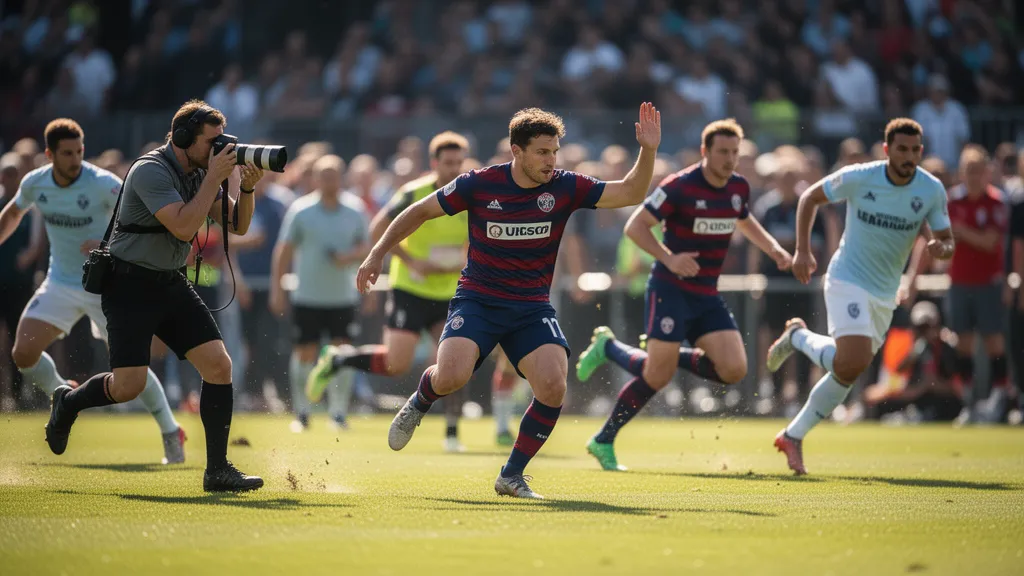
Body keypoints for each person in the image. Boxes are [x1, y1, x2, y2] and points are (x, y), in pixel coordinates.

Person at [357, 103, 662, 499]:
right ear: (517, 151)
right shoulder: (479, 183)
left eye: (554, 151)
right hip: (478, 301)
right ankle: (420, 401)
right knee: (451, 376)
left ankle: (511, 475)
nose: (551, 160)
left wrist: (648, 151)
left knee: (553, 385)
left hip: (531, 307)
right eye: (542, 152)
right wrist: (377, 253)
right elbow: (418, 211)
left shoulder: (566, 185)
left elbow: (630, 192)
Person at [41, 101, 265, 491]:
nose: (219, 149)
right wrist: (215, 177)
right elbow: (181, 227)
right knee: (129, 385)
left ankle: (217, 470)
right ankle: (69, 401)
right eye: (212, 141)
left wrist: (245, 186)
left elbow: (238, 224)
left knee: (218, 366)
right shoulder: (150, 170)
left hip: (170, 283)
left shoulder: (199, 172)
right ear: (182, 138)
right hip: (129, 287)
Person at [574, 119, 794, 472]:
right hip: (670, 290)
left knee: (734, 369)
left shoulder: (738, 186)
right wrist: (669, 258)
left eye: (735, 152)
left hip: (705, 294)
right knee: (657, 377)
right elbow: (635, 226)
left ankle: (612, 348)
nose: (730, 159)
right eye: (723, 152)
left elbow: (744, 218)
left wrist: (775, 250)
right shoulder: (679, 186)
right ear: (706, 151)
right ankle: (603, 439)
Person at [765, 118, 954, 475]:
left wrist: (940, 248)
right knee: (851, 359)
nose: (909, 156)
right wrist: (803, 251)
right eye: (902, 149)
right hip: (847, 278)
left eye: (915, 150)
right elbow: (809, 198)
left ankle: (793, 434)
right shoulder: (861, 176)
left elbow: (946, 240)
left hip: (885, 292)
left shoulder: (931, 190)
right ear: (887, 150)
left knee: (849, 370)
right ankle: (799, 337)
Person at [0, 119, 186, 462]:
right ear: (49, 154)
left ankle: (171, 431)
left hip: (108, 286)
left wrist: (105, 243)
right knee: (22, 352)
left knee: (131, 372)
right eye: (67, 153)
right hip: (61, 282)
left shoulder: (102, 183)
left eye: (79, 151)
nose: (75, 159)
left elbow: (140, 213)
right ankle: (62, 394)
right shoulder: (35, 183)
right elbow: (12, 214)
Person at [306, 132, 469, 451]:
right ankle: (340, 358)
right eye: (448, 163)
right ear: (434, 164)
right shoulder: (414, 193)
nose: (454, 169)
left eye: (459, 163)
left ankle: (451, 433)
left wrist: (462, 262)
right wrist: (411, 262)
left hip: (451, 293)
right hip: (410, 289)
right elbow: (378, 228)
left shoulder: (469, 196)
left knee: (455, 361)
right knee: (396, 364)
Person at [270, 154, 369, 433]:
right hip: (308, 297)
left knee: (343, 354)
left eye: (334, 175)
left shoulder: (355, 209)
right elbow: (284, 251)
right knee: (305, 354)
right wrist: (277, 289)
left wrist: (348, 256)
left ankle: (338, 413)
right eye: (324, 175)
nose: (329, 181)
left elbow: (368, 248)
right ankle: (302, 412)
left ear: (342, 178)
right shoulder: (301, 210)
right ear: (315, 178)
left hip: (343, 297)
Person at [944, 146, 1009, 424]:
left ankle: (999, 401)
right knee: (963, 343)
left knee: (994, 341)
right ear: (961, 173)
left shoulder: (997, 202)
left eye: (977, 171)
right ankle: (968, 403)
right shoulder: (951, 202)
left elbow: (990, 241)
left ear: (987, 173)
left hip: (988, 283)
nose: (972, 177)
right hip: (959, 281)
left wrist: (962, 232)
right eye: (968, 171)